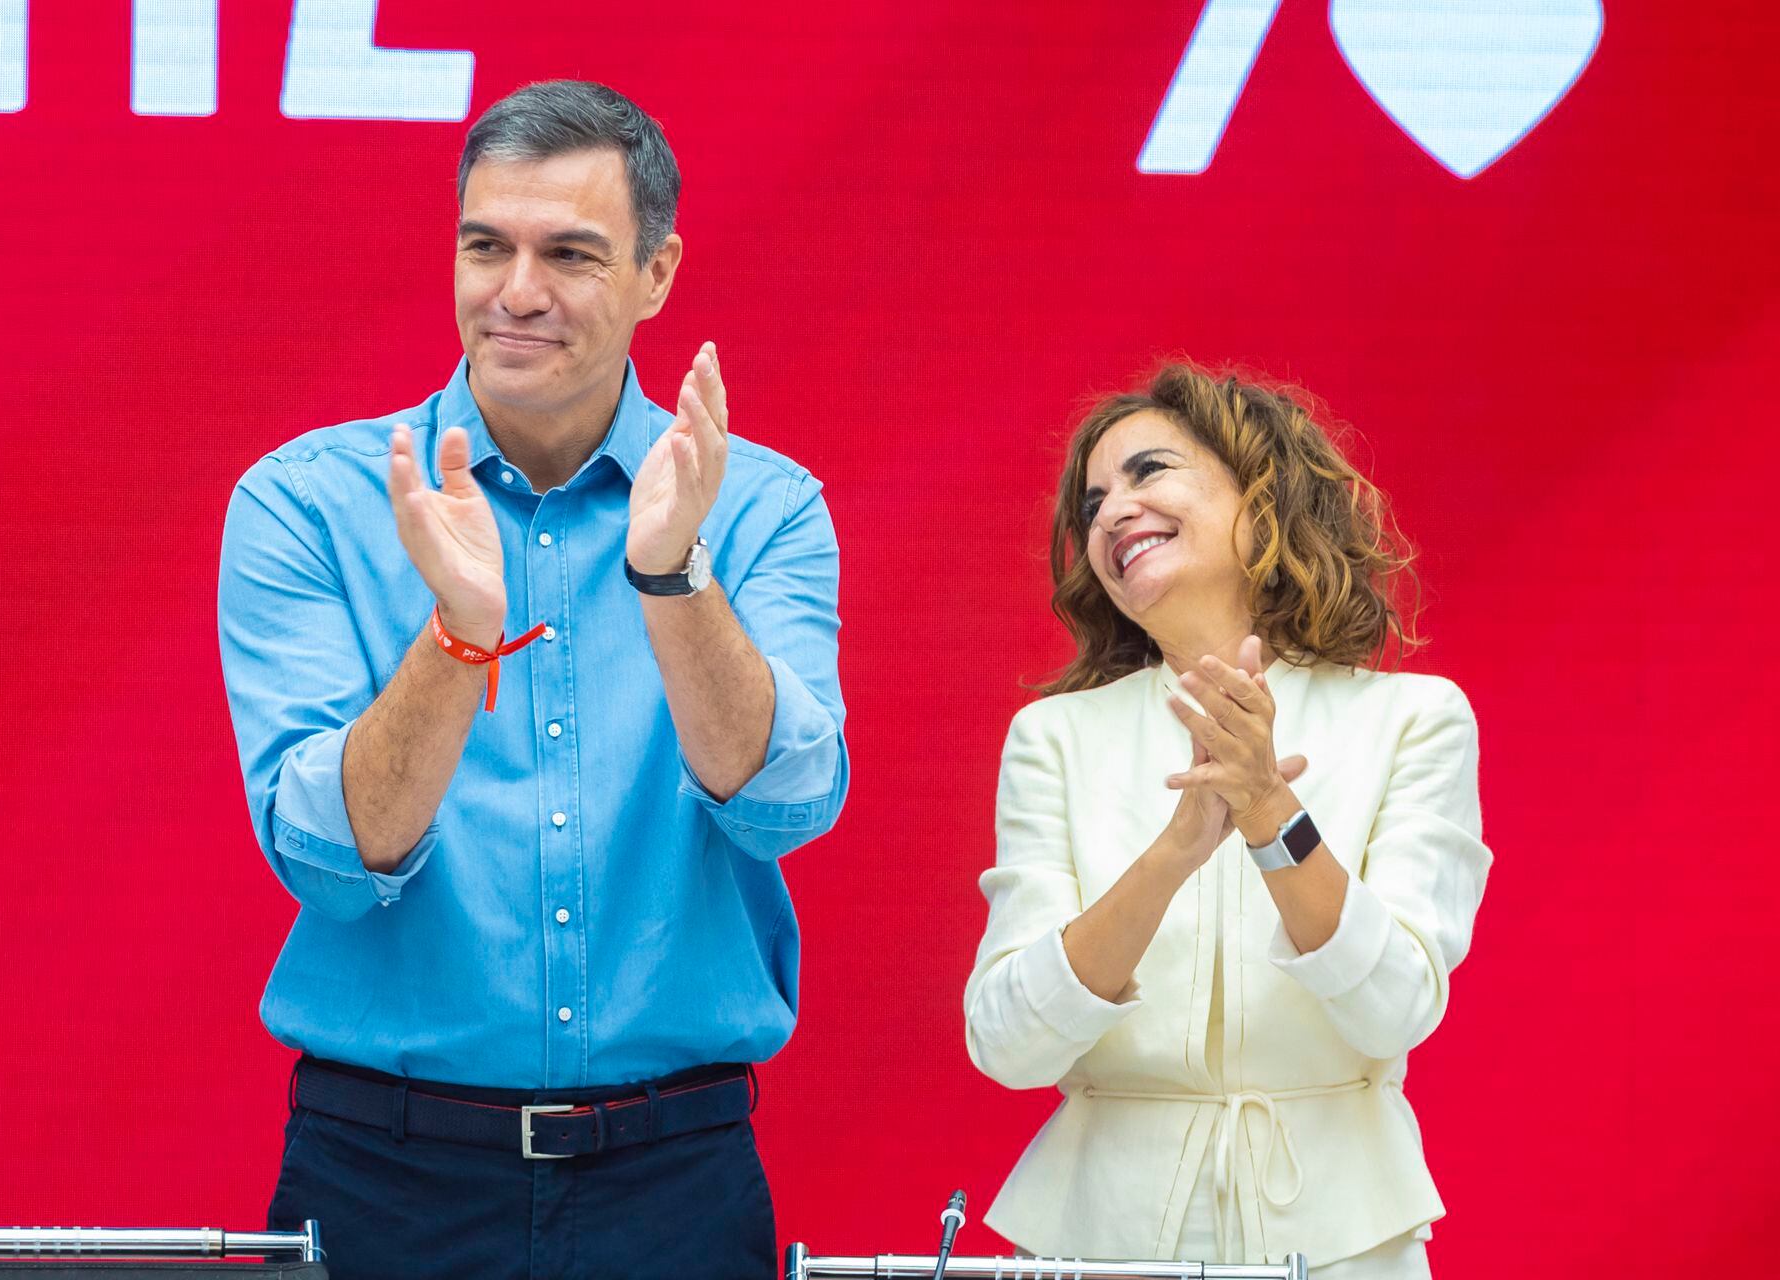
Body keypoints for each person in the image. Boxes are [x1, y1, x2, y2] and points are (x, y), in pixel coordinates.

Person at [217, 80, 848, 1280]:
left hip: (677, 1171)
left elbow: (784, 803)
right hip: (387, 1172)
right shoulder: (305, 501)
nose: (516, 292)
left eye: (569, 253)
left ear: (658, 275)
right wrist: (459, 635)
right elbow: (329, 858)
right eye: (485, 246)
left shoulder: (760, 504)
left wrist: (672, 576)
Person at [963, 365, 1490, 1276]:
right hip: (1096, 1241)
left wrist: (1269, 811)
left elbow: (1396, 1006)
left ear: (1263, 496)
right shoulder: (1053, 737)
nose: (1111, 513)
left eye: (1148, 472)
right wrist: (1175, 850)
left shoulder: (1415, 717)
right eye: (1091, 504)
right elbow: (1008, 1044)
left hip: (1345, 1241)